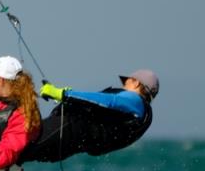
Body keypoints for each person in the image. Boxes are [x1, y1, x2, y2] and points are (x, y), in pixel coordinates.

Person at [20, 69, 158, 163]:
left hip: (69, 129)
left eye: (126, 82)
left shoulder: (134, 101)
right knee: (22, 155)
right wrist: (71, 99)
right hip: (73, 145)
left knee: (20, 145)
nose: (123, 85)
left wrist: (63, 94)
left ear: (136, 82)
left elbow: (107, 101)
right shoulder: (140, 115)